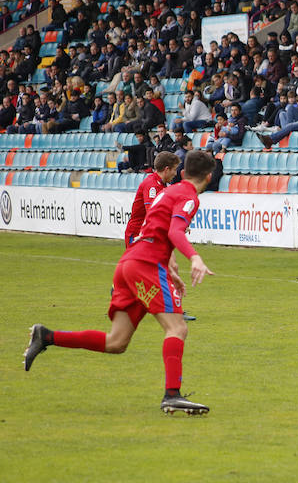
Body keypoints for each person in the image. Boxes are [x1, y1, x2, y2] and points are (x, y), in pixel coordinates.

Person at [24, 150, 218, 414]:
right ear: (210, 176)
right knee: (177, 328)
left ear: (183, 173)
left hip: (130, 262)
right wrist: (194, 257)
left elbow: (157, 229)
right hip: (146, 265)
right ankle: (172, 394)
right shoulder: (188, 196)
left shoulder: (169, 191)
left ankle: (46, 336)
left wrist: (170, 267)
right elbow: (174, 230)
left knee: (116, 342)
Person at [124, 151, 180, 247]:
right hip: (139, 234)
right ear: (166, 169)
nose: (175, 173)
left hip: (151, 234)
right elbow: (152, 213)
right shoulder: (152, 185)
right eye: (174, 170)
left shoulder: (163, 185)